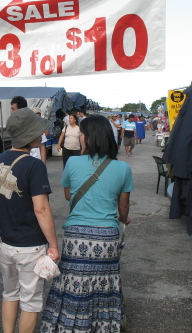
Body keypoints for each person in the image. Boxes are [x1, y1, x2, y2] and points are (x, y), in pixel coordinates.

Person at [41, 115, 133, 333]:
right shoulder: (123, 168)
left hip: (76, 236)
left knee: (73, 284)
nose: (80, 138)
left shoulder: (72, 162)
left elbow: (67, 195)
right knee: (104, 284)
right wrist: (123, 218)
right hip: (107, 237)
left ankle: (69, 325)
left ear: (89, 138)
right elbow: (124, 207)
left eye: (82, 134)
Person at [0, 108, 60, 333]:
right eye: (37, 130)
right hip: (29, 244)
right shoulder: (34, 165)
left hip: (3, 240)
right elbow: (41, 209)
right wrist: (53, 244)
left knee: (9, 293)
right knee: (30, 301)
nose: (42, 133)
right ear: (28, 135)